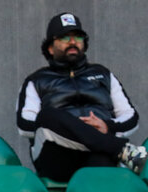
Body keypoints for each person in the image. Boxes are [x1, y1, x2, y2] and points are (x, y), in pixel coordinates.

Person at [16, 12, 146, 182]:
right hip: (58, 157)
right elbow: (25, 125)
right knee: (46, 116)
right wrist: (74, 127)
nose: (72, 42)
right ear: (50, 47)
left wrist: (107, 126)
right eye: (64, 38)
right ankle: (122, 150)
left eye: (78, 37)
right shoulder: (36, 80)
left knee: (102, 166)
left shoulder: (103, 74)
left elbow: (131, 117)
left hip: (98, 154)